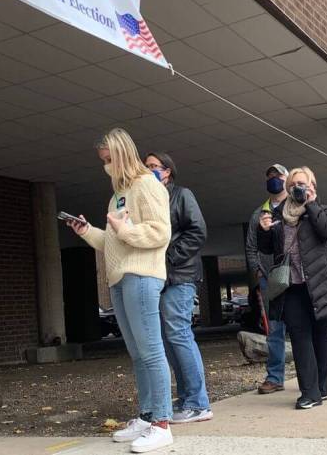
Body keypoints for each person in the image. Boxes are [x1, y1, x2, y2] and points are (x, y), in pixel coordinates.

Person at [66, 128, 173, 453]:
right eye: (103, 161)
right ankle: (146, 416)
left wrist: (124, 229)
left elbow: (160, 232)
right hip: (120, 276)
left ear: (122, 154)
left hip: (141, 275)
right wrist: (87, 232)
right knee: (138, 353)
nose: (106, 166)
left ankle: (162, 424)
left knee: (151, 350)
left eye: (109, 160)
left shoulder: (147, 185)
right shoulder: (118, 194)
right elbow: (112, 241)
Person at [269, 167, 327, 409]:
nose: (298, 187)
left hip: (319, 284)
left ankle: (323, 388)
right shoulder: (279, 215)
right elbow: (268, 248)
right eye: (294, 183)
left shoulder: (324, 210)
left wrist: (311, 204)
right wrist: (264, 230)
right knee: (299, 336)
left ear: (313, 186)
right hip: (292, 285)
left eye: (303, 183)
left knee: (320, 334)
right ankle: (310, 392)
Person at [144, 151, 212, 424]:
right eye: (145, 167)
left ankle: (198, 403)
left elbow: (198, 231)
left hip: (180, 276)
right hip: (159, 278)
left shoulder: (181, 195)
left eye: (152, 166)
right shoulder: (148, 200)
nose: (147, 170)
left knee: (178, 334)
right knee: (169, 338)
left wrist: (169, 258)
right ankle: (186, 398)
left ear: (167, 171)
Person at [245, 163, 289, 394]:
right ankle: (275, 377)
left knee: (302, 328)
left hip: (296, 276)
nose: (273, 178)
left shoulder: (296, 205)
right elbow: (251, 247)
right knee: (274, 331)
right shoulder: (258, 213)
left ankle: (310, 376)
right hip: (269, 279)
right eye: (270, 174)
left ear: (287, 179)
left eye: (278, 175)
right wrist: (258, 272)